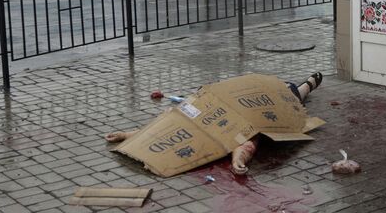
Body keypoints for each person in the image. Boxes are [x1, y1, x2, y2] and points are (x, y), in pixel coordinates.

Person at [105, 72, 323, 174]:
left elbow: (247, 140)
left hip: (278, 98)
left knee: (298, 92)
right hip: (255, 98)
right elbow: (175, 119)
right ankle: (310, 82)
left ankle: (310, 83)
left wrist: (239, 160)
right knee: (298, 91)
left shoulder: (284, 98)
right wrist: (129, 134)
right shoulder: (263, 91)